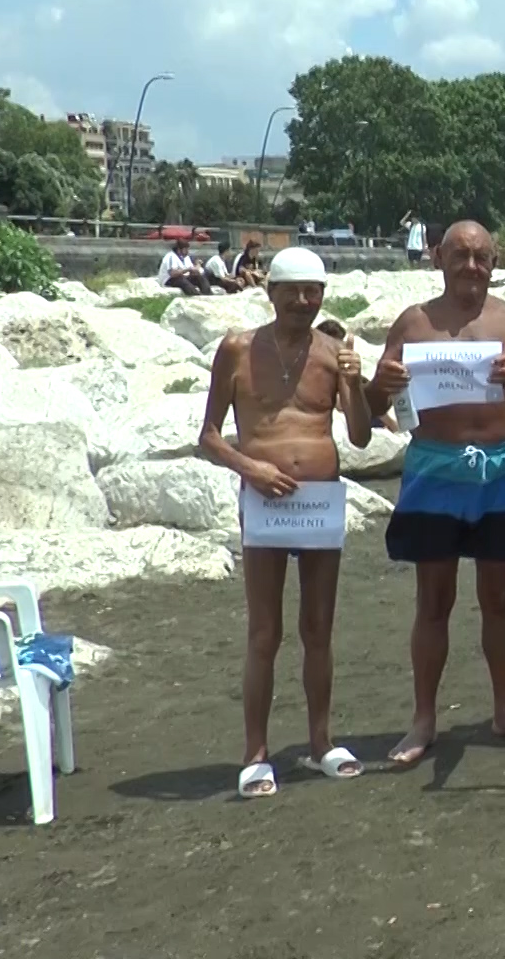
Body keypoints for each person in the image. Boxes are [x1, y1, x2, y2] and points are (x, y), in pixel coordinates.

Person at [363, 220, 505, 763]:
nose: (471, 265)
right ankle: (423, 720)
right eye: (460, 255)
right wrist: (384, 386)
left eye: (481, 256)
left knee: (499, 599)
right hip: (435, 469)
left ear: (494, 262)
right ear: (438, 260)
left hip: (499, 470)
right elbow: (379, 402)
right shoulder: (414, 321)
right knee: (434, 601)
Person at [197, 246, 374, 797]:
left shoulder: (333, 351)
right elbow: (208, 435)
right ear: (270, 292)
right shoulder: (238, 349)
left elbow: (363, 435)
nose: (303, 300)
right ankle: (256, 753)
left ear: (324, 295)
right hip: (266, 503)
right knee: (264, 631)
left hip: (320, 500)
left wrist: (357, 380)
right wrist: (251, 467)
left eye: (313, 291)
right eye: (292, 290)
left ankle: (320, 742)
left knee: (318, 629)